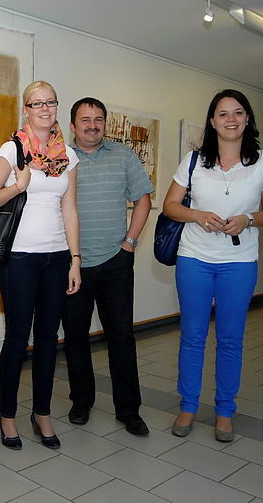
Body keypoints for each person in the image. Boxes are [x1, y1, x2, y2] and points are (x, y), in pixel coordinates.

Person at [163, 89, 263, 441]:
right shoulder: (193, 160)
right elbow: (170, 206)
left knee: (231, 339)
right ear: (212, 121)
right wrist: (197, 215)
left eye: (238, 112)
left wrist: (248, 219)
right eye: (223, 113)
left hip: (239, 262)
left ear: (247, 119)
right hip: (194, 259)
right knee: (192, 336)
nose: (231, 119)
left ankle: (225, 410)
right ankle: (188, 406)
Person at [0, 81, 80, 450]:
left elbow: (69, 209)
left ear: (56, 107)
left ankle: (41, 412)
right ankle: (7, 415)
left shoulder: (67, 156)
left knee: (47, 339)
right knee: (16, 338)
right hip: (20, 258)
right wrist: (17, 186)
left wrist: (75, 259)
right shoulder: (12, 149)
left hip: (57, 257)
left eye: (50, 102)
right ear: (26, 109)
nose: (44, 109)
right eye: (36, 103)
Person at [62, 97, 154, 435]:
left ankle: (129, 410)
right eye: (85, 120)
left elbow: (143, 199)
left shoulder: (123, 155)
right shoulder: (60, 158)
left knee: (122, 337)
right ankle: (81, 401)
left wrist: (130, 244)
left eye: (98, 119)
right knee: (75, 337)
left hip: (116, 262)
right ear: (73, 125)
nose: (92, 125)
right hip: (72, 264)